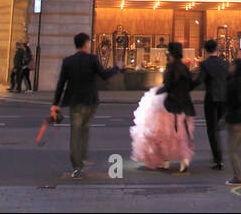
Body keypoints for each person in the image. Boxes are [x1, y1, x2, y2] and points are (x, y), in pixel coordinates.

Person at [50, 33, 120, 179]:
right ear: (86, 44)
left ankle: (77, 167)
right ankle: (81, 159)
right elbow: (104, 75)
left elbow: (61, 84)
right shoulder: (92, 59)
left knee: (75, 134)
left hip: (75, 102)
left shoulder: (68, 61)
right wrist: (117, 68)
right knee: (85, 132)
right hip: (90, 102)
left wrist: (55, 104)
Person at [131, 42, 196, 172]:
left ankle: (165, 160)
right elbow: (190, 85)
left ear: (170, 54)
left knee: (162, 134)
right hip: (183, 104)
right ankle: (184, 160)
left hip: (169, 104)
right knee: (180, 134)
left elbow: (167, 85)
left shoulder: (170, 68)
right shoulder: (184, 68)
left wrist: (155, 93)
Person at [191, 38, 228, 170]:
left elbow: (199, 80)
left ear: (205, 50)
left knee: (212, 130)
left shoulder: (205, 64)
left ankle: (218, 159)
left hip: (211, 99)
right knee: (216, 128)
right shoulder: (225, 64)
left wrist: (188, 86)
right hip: (224, 99)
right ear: (217, 49)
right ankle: (219, 155)